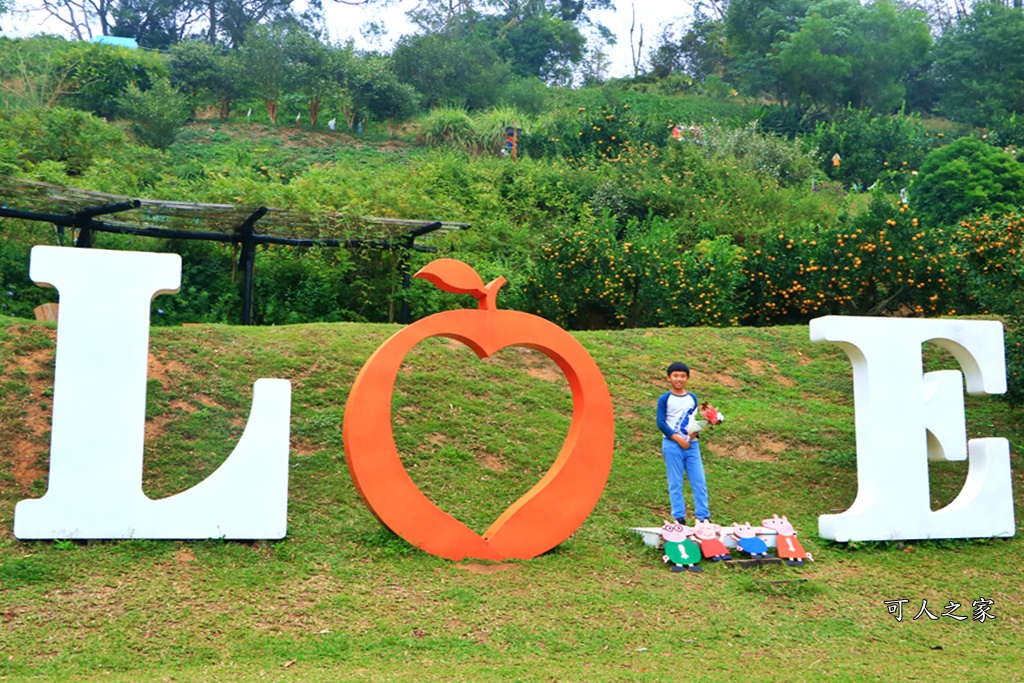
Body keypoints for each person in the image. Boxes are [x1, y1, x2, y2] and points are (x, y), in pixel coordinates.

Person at [656, 362, 711, 525]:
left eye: (682, 376)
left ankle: (703, 517)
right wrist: (678, 439)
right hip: (672, 445)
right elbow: (661, 422)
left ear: (687, 378)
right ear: (669, 378)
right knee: (675, 482)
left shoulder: (691, 398)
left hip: (692, 445)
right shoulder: (665, 398)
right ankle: (679, 518)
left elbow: (693, 419)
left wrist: (694, 433)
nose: (679, 379)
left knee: (699, 481)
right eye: (675, 376)